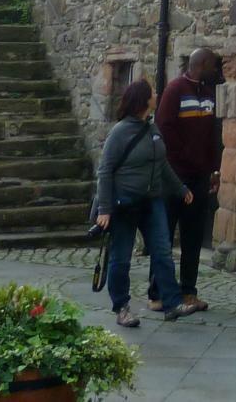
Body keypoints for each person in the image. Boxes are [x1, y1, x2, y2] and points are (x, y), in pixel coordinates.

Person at [94, 78, 193, 327]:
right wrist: (105, 209)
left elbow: (162, 164)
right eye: (152, 92)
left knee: (162, 252)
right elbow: (105, 171)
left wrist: (180, 188)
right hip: (125, 203)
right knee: (121, 257)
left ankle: (171, 303)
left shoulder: (152, 129)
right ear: (143, 99)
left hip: (152, 201)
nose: (156, 94)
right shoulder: (119, 132)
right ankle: (122, 307)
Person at [149, 47, 222, 315]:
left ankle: (189, 291)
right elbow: (164, 130)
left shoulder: (208, 93)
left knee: (193, 237)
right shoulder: (175, 90)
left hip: (200, 177)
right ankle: (157, 293)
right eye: (214, 65)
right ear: (201, 64)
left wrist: (214, 168)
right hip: (174, 177)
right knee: (164, 236)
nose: (217, 71)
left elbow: (213, 132)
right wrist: (182, 166)